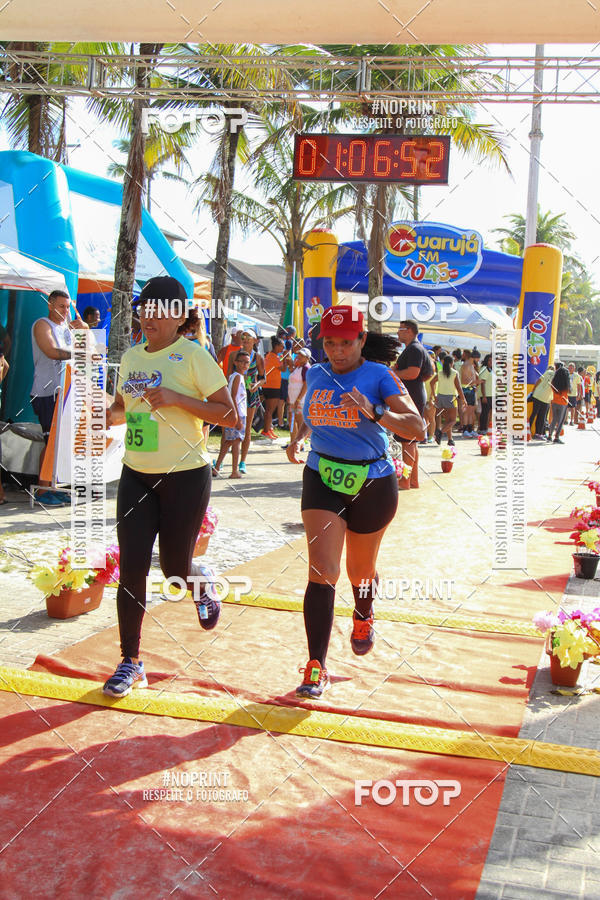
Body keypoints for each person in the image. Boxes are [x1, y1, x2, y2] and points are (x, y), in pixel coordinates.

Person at [102, 276, 236, 698]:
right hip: (136, 473)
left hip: (185, 475)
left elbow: (228, 415)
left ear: (179, 317)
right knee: (133, 567)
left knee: (174, 569)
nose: (148, 316)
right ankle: (131, 661)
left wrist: (178, 398)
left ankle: (201, 582)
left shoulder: (193, 356)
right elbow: (123, 410)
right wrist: (100, 416)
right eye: (144, 308)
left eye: (159, 310)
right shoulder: (130, 357)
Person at [286, 306, 425, 699]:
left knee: (359, 570)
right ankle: (316, 665)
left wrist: (376, 411)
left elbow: (418, 427)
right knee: (322, 570)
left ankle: (363, 613)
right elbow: (307, 410)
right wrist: (297, 437)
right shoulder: (315, 372)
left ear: (362, 340)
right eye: (329, 342)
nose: (337, 350)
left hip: (373, 482)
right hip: (321, 478)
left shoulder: (381, 376)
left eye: (346, 342)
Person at [31, 289, 88, 506]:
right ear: (50, 304)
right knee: (50, 439)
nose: (65, 311)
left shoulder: (67, 327)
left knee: (61, 442)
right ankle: (43, 489)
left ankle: (52, 485)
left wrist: (85, 331)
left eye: (68, 307)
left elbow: (85, 347)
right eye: (61, 306)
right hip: (46, 392)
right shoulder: (42, 324)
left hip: (66, 391)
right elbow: (51, 351)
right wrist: (82, 354)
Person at [394, 320, 433, 488]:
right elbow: (429, 373)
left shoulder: (415, 349)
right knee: (410, 441)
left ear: (409, 331)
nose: (397, 333)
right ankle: (412, 479)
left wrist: (393, 373)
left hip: (412, 397)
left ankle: (406, 480)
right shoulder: (417, 348)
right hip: (414, 395)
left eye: (400, 329)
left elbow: (412, 373)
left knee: (407, 441)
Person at [230, 329, 265, 474]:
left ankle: (242, 461)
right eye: (243, 337)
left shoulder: (257, 357)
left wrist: (256, 385)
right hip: (235, 392)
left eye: (248, 337)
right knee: (230, 425)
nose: (245, 339)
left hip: (250, 394)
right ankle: (222, 461)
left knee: (247, 426)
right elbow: (228, 374)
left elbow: (263, 378)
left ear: (255, 340)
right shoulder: (234, 354)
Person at [213, 349, 249, 479]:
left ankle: (216, 467)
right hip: (237, 413)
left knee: (228, 441)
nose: (245, 365)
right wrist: (238, 418)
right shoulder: (237, 377)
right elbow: (233, 397)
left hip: (234, 412)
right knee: (236, 441)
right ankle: (234, 470)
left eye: (247, 363)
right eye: (242, 362)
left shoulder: (233, 376)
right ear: (236, 362)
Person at [431, 354, 466, 445]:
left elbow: (432, 383)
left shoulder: (440, 373)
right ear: (451, 363)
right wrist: (463, 399)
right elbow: (459, 388)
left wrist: (434, 395)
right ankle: (440, 432)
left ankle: (450, 440)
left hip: (440, 398)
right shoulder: (454, 373)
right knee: (453, 420)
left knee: (447, 421)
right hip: (451, 398)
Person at [262, 336, 285, 438]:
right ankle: (266, 430)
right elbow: (283, 368)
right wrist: (285, 359)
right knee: (270, 410)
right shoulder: (274, 357)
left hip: (269, 385)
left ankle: (269, 429)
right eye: (281, 346)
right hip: (272, 386)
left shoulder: (270, 356)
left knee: (269, 410)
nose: (283, 348)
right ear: (276, 346)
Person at [288, 347, 311, 446]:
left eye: (302, 356)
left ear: (307, 358)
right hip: (293, 400)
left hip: (300, 401)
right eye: (299, 355)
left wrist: (298, 399)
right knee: (291, 421)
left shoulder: (306, 368)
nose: (299, 357)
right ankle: (293, 442)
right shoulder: (298, 367)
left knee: (299, 421)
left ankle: (299, 443)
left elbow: (305, 385)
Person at [547, 363, 570, 443]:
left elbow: (552, 388)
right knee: (560, 421)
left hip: (554, 402)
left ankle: (549, 435)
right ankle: (556, 437)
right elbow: (569, 391)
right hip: (563, 402)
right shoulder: (566, 383)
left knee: (554, 419)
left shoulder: (554, 382)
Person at [529, 366, 554, 438]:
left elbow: (538, 381)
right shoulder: (555, 375)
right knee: (542, 417)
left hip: (538, 396)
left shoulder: (547, 372)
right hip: (545, 399)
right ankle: (538, 433)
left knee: (534, 414)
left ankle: (528, 431)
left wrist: (533, 390)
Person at [459, 349, 478, 436]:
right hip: (467, 389)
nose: (478, 361)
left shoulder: (470, 365)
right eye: (477, 359)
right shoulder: (466, 365)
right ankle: (465, 429)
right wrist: (476, 382)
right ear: (474, 357)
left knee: (471, 411)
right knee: (467, 411)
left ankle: (470, 429)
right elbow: (464, 380)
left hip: (471, 389)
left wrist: (475, 383)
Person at [478, 354, 493, 434]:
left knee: (490, 412)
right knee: (485, 412)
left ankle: (487, 428)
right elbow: (482, 383)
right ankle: (482, 429)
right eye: (489, 360)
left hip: (492, 394)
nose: (491, 362)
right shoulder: (484, 369)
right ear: (486, 361)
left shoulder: (492, 369)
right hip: (486, 394)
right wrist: (484, 396)